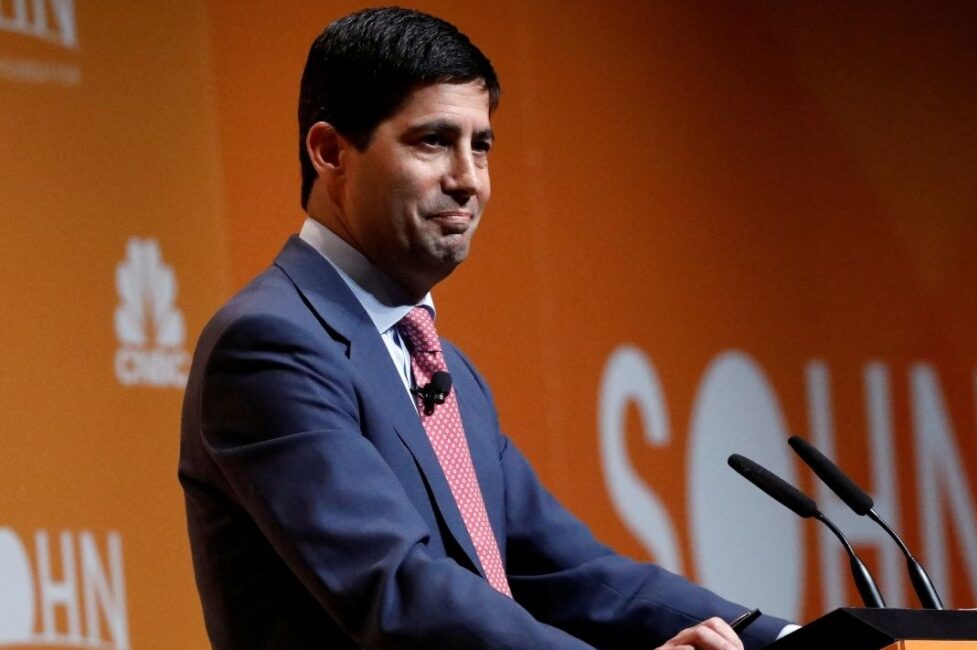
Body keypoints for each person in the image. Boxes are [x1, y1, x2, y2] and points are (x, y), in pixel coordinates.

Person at [179, 7, 796, 649]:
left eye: (481, 145)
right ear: (331, 151)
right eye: (433, 142)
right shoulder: (270, 345)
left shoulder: (446, 370)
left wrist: (789, 640)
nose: (468, 179)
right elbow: (397, 590)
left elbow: (574, 575)